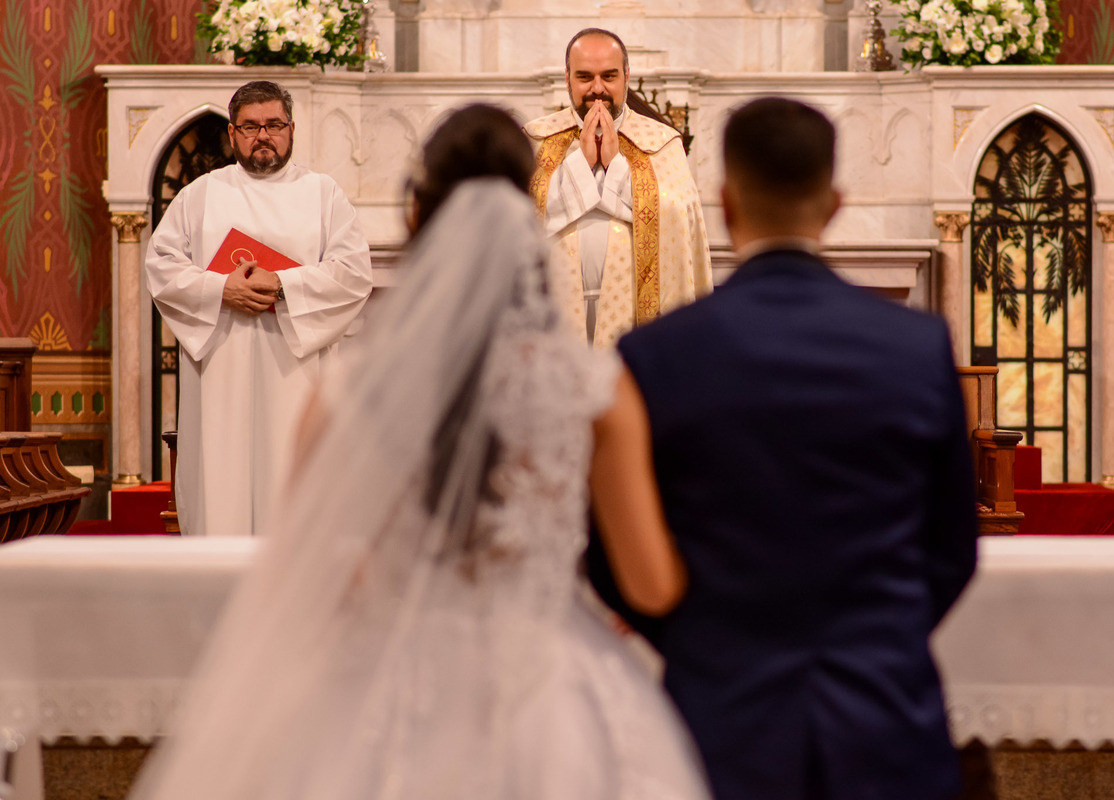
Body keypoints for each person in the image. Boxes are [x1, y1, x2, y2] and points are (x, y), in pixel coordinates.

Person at [129, 104, 710, 800]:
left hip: (391, 695)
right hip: (548, 693)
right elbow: (650, 585)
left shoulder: (346, 394)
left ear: (418, 216)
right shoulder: (592, 390)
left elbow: (306, 576)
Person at [587, 97, 979, 800]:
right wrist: (875, 636)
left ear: (727, 203)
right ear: (832, 204)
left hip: (720, 718)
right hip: (883, 716)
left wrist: (701, 642)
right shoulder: (916, 347)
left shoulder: (656, 355)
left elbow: (613, 559)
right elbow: (953, 545)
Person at [144, 80, 373, 537]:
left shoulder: (323, 194)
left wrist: (284, 284)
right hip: (221, 370)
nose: (262, 135)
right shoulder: (200, 195)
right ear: (232, 134)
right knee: (220, 489)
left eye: (273, 124)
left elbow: (353, 274)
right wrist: (220, 290)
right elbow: (161, 268)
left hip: (297, 371)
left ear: (291, 129)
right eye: (250, 126)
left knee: (293, 486)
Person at [524, 27, 712, 348]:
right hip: (555, 312)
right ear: (567, 78)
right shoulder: (537, 140)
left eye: (609, 76)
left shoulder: (662, 142)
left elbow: (680, 221)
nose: (598, 89)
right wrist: (579, 165)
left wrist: (617, 166)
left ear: (627, 75)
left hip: (633, 312)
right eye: (585, 76)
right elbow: (519, 220)